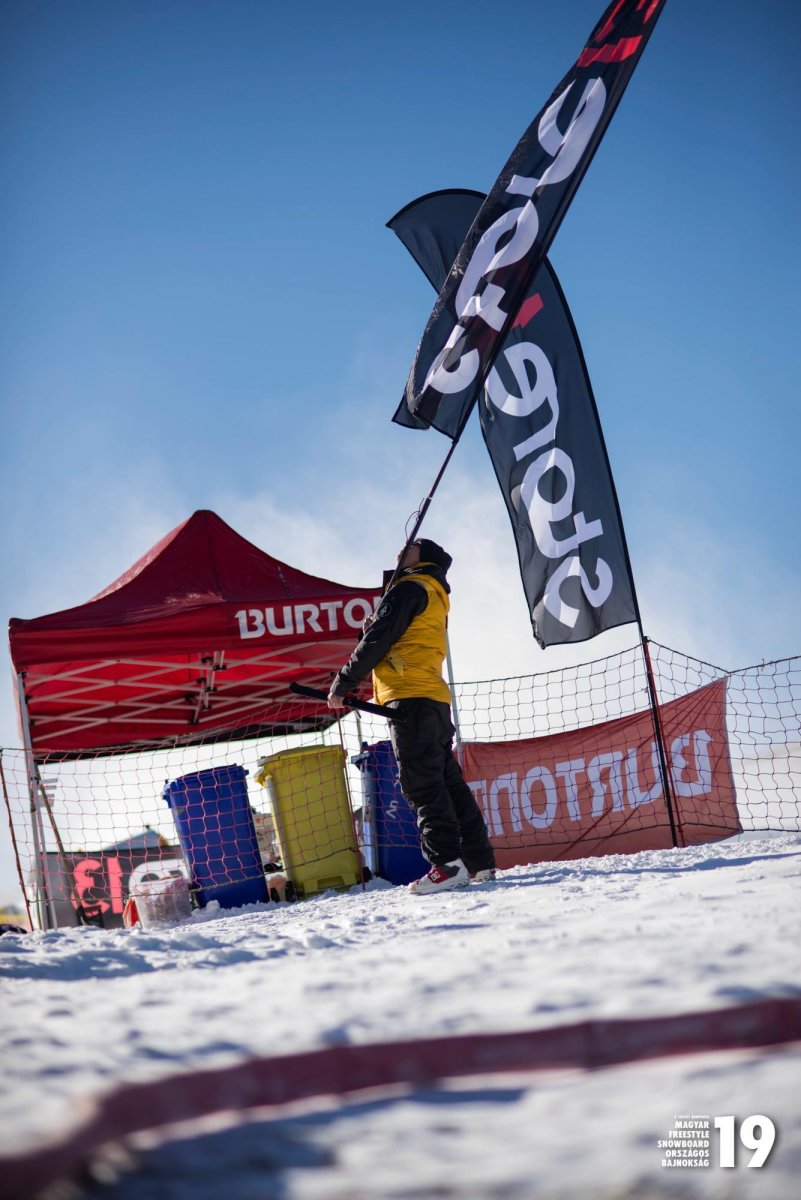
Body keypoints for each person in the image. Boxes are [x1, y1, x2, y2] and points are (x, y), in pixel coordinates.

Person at [328, 537, 496, 895]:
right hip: (432, 698)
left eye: (413, 545)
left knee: (422, 783)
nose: (403, 546)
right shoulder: (432, 591)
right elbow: (391, 633)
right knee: (448, 783)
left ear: (425, 557)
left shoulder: (408, 588)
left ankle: (447, 864)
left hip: (409, 698)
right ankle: (479, 862)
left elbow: (377, 640)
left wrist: (343, 684)